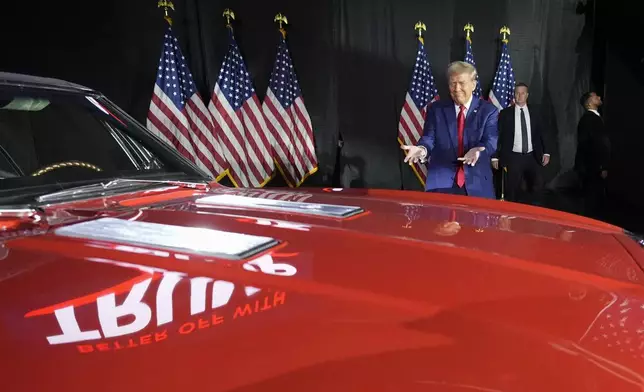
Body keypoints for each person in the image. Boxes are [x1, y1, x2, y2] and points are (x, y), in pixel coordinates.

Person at [401, 61, 498, 198]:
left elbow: (491, 141)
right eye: (453, 83)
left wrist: (479, 151)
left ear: (473, 85)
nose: (457, 88)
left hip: (477, 183)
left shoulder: (488, 111)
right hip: (441, 183)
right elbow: (429, 138)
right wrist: (422, 149)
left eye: (461, 83)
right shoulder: (436, 109)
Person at [491, 82, 550, 204]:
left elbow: (543, 133)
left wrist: (547, 152)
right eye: (517, 93)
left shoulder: (536, 112)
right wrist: (495, 156)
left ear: (527, 95)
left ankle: (535, 215)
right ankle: (512, 217)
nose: (520, 95)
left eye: (522, 93)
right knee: (512, 190)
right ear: (514, 95)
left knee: (537, 187)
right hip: (513, 157)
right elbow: (498, 135)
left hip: (533, 156)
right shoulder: (505, 114)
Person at [574, 91, 610, 219]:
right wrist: (602, 166)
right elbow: (595, 145)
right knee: (591, 201)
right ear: (589, 102)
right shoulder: (590, 120)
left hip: (589, 167)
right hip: (592, 168)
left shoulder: (593, 118)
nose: (599, 97)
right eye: (596, 96)